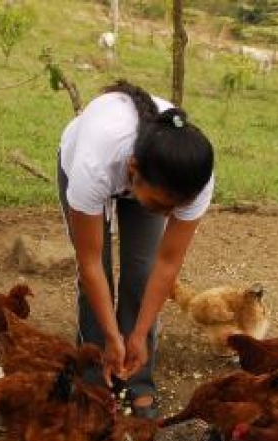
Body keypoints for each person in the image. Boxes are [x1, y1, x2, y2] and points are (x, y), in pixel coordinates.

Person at [57, 80, 215, 418]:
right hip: (88, 161)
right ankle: (94, 380)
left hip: (149, 177)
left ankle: (138, 381)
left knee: (141, 273)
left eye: (177, 208)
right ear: (133, 172)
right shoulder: (93, 164)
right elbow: (90, 264)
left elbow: (167, 264)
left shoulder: (193, 178)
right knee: (95, 275)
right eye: (161, 206)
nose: (169, 217)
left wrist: (139, 334)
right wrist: (112, 336)